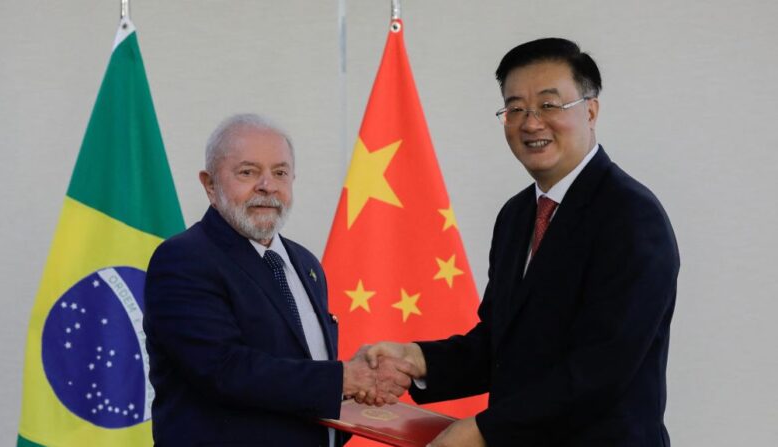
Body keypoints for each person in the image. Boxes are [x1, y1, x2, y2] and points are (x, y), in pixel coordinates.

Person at [364, 38, 680, 447]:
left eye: (549, 105)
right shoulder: (517, 215)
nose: (531, 123)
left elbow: (601, 370)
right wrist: (415, 360)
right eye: (515, 109)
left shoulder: (631, 217)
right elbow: (502, 343)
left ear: (591, 109)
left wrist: (480, 431)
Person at [143, 113, 414, 446]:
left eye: (280, 173)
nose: (267, 185)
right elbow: (225, 369)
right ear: (210, 184)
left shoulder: (306, 264)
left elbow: (306, 373)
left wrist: (355, 388)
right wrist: (345, 378)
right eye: (248, 172)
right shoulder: (184, 259)